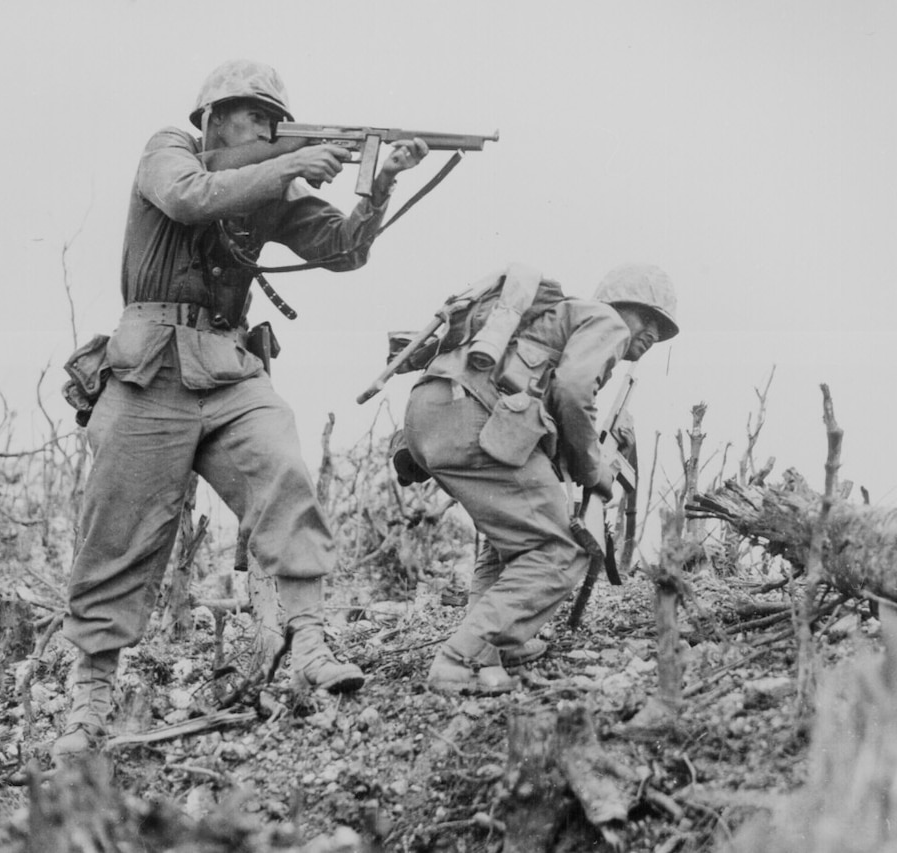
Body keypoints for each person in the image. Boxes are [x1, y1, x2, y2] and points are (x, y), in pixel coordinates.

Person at [52, 59, 428, 762]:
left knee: (283, 466)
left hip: (227, 369)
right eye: (252, 115)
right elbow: (192, 198)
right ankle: (90, 702)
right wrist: (289, 160)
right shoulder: (170, 149)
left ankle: (309, 637)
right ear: (213, 117)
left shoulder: (271, 187)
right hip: (150, 371)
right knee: (118, 533)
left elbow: (342, 249)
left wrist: (380, 182)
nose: (266, 126)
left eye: (274, 119)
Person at [402, 262, 678, 694]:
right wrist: (595, 470)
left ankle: (496, 646)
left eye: (661, 331)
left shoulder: (559, 324)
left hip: (432, 412)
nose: (651, 336)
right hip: (471, 413)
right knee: (559, 549)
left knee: (512, 534)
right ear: (621, 306)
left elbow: (550, 404)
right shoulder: (604, 320)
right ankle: (465, 658)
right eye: (649, 319)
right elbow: (572, 390)